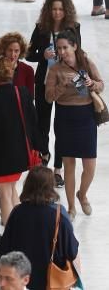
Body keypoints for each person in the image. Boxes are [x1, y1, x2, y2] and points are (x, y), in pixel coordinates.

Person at [45, 29, 103, 220]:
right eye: (59, 48)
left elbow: (101, 84)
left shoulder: (86, 62)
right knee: (69, 165)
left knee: (90, 165)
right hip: (64, 116)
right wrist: (63, 85)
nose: (62, 52)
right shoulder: (54, 69)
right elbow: (48, 97)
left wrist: (91, 84)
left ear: (74, 46)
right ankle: (71, 206)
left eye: (65, 47)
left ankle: (82, 194)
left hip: (85, 116)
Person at [0, 168, 80, 290]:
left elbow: (4, 249)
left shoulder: (17, 212)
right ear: (51, 187)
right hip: (52, 279)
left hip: (22, 278)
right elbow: (72, 251)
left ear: (27, 185)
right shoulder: (59, 214)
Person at [0, 58, 41, 225]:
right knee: (12, 191)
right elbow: (33, 122)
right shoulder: (23, 93)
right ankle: (19, 231)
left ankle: (10, 236)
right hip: (20, 153)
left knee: (5, 195)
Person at [27, 0, 80, 188]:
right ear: (49, 11)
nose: (57, 12)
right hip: (44, 82)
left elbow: (78, 53)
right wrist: (43, 54)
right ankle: (43, 158)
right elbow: (29, 53)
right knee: (42, 123)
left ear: (65, 11)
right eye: (54, 9)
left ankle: (58, 169)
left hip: (65, 83)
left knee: (62, 127)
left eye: (60, 9)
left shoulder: (73, 28)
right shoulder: (41, 29)